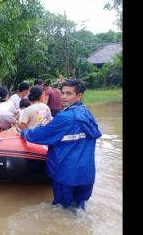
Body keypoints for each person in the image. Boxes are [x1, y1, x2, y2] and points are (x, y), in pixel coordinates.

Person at [21, 79, 102, 211]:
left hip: (66, 174)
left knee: (61, 208)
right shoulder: (88, 114)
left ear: (79, 96)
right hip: (87, 174)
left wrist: (23, 133)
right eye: (63, 93)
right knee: (80, 209)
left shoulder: (64, 117)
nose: (63, 97)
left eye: (68, 94)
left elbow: (39, 134)